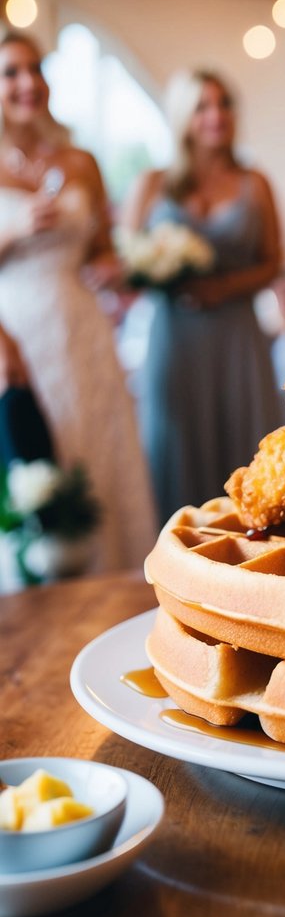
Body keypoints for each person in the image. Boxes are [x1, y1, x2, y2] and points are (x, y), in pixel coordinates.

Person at [0, 31, 156, 571]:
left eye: (34, 69)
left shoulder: (80, 160)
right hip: (14, 333)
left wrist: (116, 266)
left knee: (95, 451)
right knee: (33, 456)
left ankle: (106, 587)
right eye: (11, 73)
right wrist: (13, 229)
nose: (27, 83)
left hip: (80, 327)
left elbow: (101, 251)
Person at [122, 69, 282, 522]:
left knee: (242, 440)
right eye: (203, 106)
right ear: (183, 118)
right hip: (174, 334)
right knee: (174, 440)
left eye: (224, 104)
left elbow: (272, 260)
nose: (217, 115)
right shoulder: (153, 185)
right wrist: (159, 271)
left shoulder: (256, 184)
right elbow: (126, 262)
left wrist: (223, 287)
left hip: (236, 334)